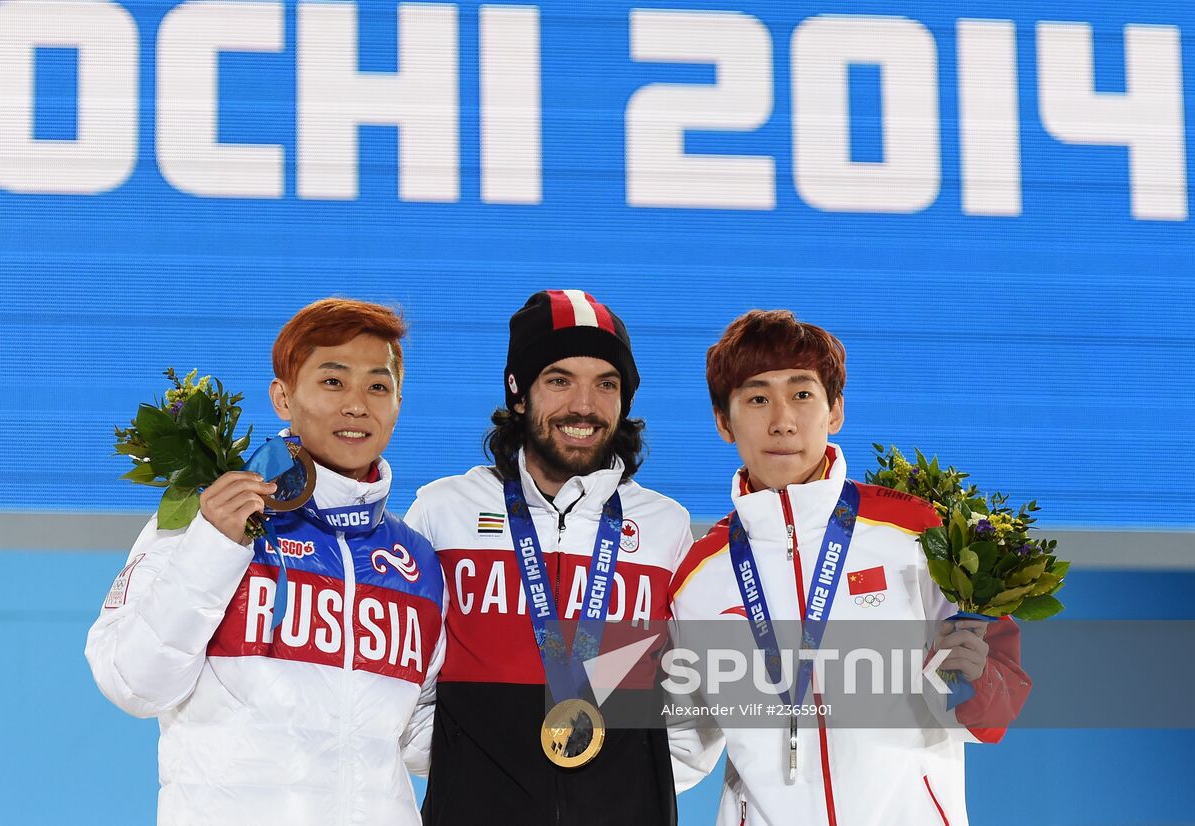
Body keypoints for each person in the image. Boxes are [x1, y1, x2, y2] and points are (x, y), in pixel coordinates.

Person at [85, 298, 447, 826]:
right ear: (283, 397)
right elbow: (134, 682)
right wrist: (213, 547)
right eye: (333, 381)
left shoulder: (416, 559)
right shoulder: (210, 516)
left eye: (377, 386)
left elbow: (417, 738)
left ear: (397, 403)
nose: (356, 405)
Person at [669, 309, 1030, 825]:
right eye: (757, 398)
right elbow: (681, 743)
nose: (782, 420)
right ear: (723, 421)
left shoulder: (918, 533)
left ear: (835, 410)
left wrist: (977, 678)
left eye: (802, 394)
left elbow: (993, 703)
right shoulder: (699, 577)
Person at [404, 289, 712, 825]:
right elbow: (405, 681)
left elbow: (696, 698)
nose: (584, 406)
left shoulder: (666, 526)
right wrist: (468, 772)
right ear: (519, 394)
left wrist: (631, 781)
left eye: (606, 384)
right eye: (559, 380)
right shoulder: (443, 511)